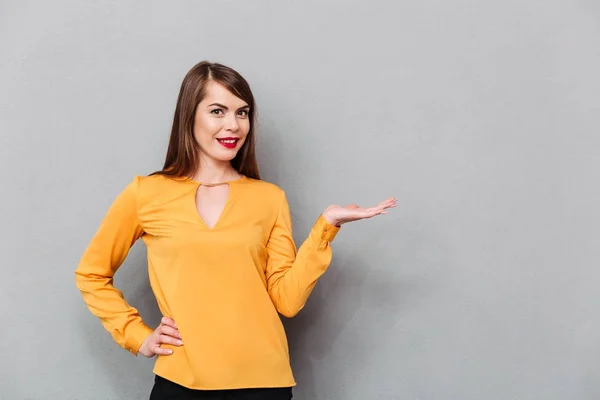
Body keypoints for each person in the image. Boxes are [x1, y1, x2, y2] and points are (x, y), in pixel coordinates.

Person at [74, 61, 396, 400]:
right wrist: (137, 336)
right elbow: (91, 274)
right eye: (218, 111)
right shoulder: (146, 193)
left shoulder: (269, 198)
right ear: (190, 116)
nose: (233, 125)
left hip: (263, 384)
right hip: (181, 382)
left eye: (242, 113)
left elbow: (286, 300)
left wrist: (327, 227)